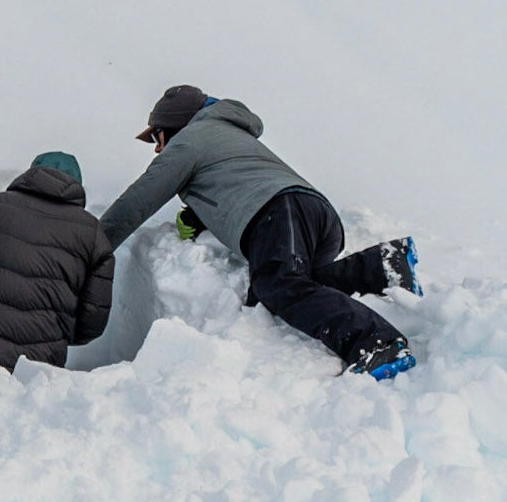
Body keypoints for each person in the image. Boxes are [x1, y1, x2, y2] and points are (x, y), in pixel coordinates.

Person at [100, 86, 422, 379]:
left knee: (277, 284)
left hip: (278, 211)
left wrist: (94, 245)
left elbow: (139, 200)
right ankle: (385, 267)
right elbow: (233, 180)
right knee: (293, 287)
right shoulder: (227, 135)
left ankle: (376, 342)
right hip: (312, 215)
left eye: (156, 138)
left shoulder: (189, 140)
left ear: (171, 127)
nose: (157, 149)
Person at [0, 151, 115, 371]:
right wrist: (56, 331)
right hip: (38, 367)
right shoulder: (93, 234)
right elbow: (92, 321)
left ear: (32, 172)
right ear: (76, 183)